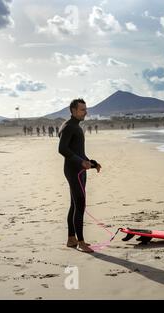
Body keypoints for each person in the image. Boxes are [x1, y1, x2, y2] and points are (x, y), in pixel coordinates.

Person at [58, 99, 101, 253]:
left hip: (77, 170)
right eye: (82, 109)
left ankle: (71, 238)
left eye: (85, 109)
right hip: (74, 171)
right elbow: (62, 149)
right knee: (80, 205)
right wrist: (81, 162)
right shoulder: (69, 127)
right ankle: (81, 242)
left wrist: (92, 163)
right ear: (73, 110)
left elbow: (78, 151)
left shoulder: (74, 125)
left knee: (74, 205)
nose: (86, 112)